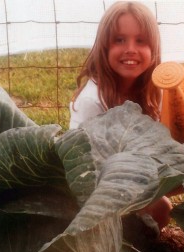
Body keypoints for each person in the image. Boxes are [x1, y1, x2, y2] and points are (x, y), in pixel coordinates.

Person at [69, 1, 172, 231]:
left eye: (141, 41)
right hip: (91, 187)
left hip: (129, 179)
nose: (130, 49)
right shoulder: (92, 100)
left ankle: (138, 246)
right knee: (155, 208)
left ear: (153, 49)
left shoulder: (154, 92)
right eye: (119, 40)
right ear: (104, 47)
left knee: (162, 209)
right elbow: (84, 167)